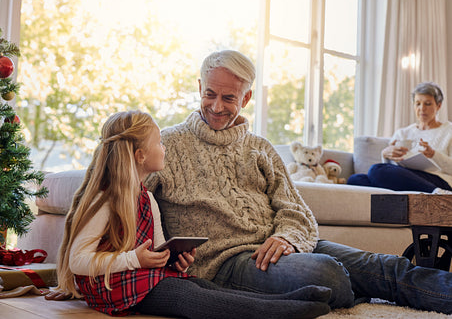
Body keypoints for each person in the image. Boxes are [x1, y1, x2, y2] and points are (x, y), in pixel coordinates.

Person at [144, 50, 452, 314]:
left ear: (247, 97)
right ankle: (348, 289)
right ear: (199, 87)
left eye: (229, 97)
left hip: (284, 247)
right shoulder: (166, 145)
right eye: (210, 94)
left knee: (386, 265)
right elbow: (123, 198)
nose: (216, 106)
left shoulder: (259, 148)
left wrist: (288, 238)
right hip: (228, 262)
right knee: (328, 273)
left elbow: (296, 209)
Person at [49, 110, 331, 318]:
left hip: (142, 275)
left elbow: (157, 248)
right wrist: (135, 258)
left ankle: (291, 299)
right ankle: (287, 311)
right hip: (113, 286)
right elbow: (78, 261)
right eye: (159, 143)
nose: (165, 148)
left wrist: (173, 258)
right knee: (192, 299)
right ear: (140, 156)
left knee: (199, 285)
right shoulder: (106, 198)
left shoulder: (146, 197)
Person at [348, 81, 452, 194]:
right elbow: (391, 168)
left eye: (427, 104)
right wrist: (386, 155)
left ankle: (438, 193)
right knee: (355, 179)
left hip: (438, 179)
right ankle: (407, 198)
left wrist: (433, 155)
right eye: (417, 103)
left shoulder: (449, 131)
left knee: (376, 170)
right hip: (406, 177)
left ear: (439, 105)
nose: (422, 108)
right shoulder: (402, 133)